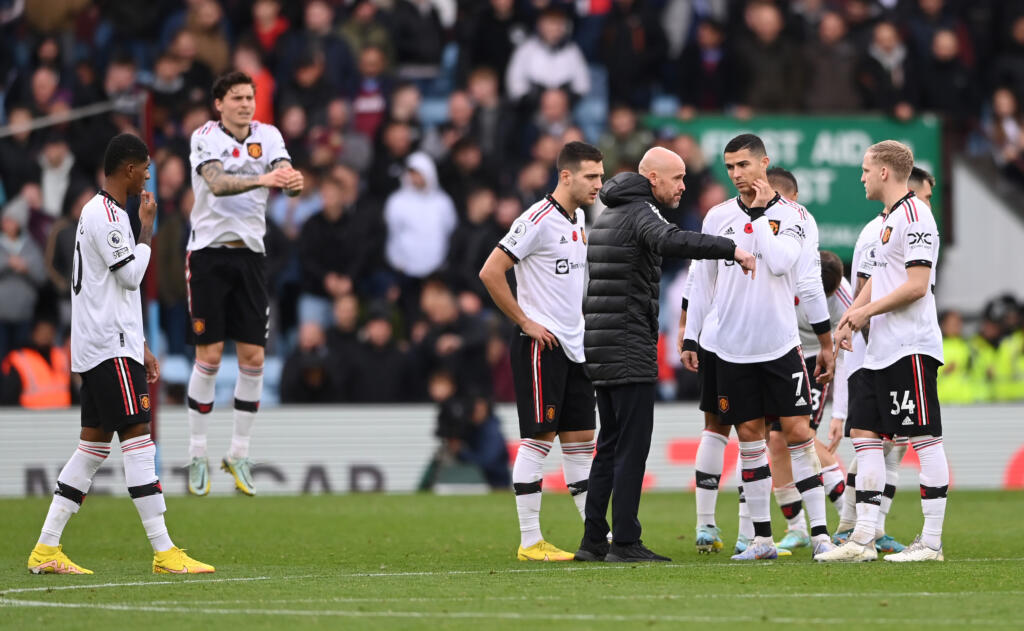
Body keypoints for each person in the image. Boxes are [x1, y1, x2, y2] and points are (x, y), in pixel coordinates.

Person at [26, 133, 213, 575]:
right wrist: (146, 226)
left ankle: (45, 549)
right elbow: (130, 278)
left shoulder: (102, 214)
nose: (148, 174)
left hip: (108, 343)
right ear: (128, 169)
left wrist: (142, 344)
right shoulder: (106, 214)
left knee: (91, 449)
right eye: (144, 166)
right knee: (139, 441)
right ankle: (165, 551)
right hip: (108, 348)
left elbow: (110, 292)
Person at [577, 147, 754, 563]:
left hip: (603, 343)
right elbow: (671, 240)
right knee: (631, 447)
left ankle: (592, 541)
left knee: (610, 444)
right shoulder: (641, 210)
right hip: (626, 344)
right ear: (652, 178)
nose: (683, 186)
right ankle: (625, 541)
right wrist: (731, 248)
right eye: (676, 178)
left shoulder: (611, 212)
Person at [682, 134, 835, 561]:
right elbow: (702, 281)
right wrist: (692, 335)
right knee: (750, 440)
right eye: (729, 167)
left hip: (781, 345)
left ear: (763, 163)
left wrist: (762, 214)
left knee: (799, 435)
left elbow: (789, 267)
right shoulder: (716, 217)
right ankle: (762, 540)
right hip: (731, 348)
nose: (736, 174)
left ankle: (820, 534)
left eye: (743, 165)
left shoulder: (796, 217)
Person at [819, 141, 947, 563]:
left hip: (909, 346)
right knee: (867, 440)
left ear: (885, 173)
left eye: (865, 169)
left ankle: (930, 542)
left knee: (924, 439)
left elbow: (915, 285)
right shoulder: (888, 221)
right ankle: (864, 539)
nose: (861, 177)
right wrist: (850, 316)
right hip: (879, 351)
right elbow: (879, 277)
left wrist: (863, 313)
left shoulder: (917, 216)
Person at [478, 141, 604, 562]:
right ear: (565, 176)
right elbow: (491, 271)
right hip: (541, 346)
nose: (598, 184)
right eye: (591, 176)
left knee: (582, 442)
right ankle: (530, 540)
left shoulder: (580, 217)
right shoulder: (536, 219)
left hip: (574, 345)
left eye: (600, 176)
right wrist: (525, 322)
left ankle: (594, 538)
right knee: (538, 440)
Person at [185, 71, 304, 497]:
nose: (245, 104)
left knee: (254, 356)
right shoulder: (204, 137)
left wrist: (292, 182)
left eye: (250, 97)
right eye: (236, 98)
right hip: (209, 254)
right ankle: (197, 452)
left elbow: (285, 175)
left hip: (251, 255)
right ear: (219, 103)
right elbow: (216, 184)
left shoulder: (268, 135)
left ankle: (238, 451)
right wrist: (265, 180)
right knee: (211, 355)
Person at [1, 319, 71, 408]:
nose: (46, 335)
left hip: (66, 416)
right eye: (42, 331)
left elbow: (73, 386)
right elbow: (9, 397)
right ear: (33, 333)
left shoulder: (61, 356)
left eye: (49, 331)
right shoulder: (20, 359)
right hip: (31, 418)